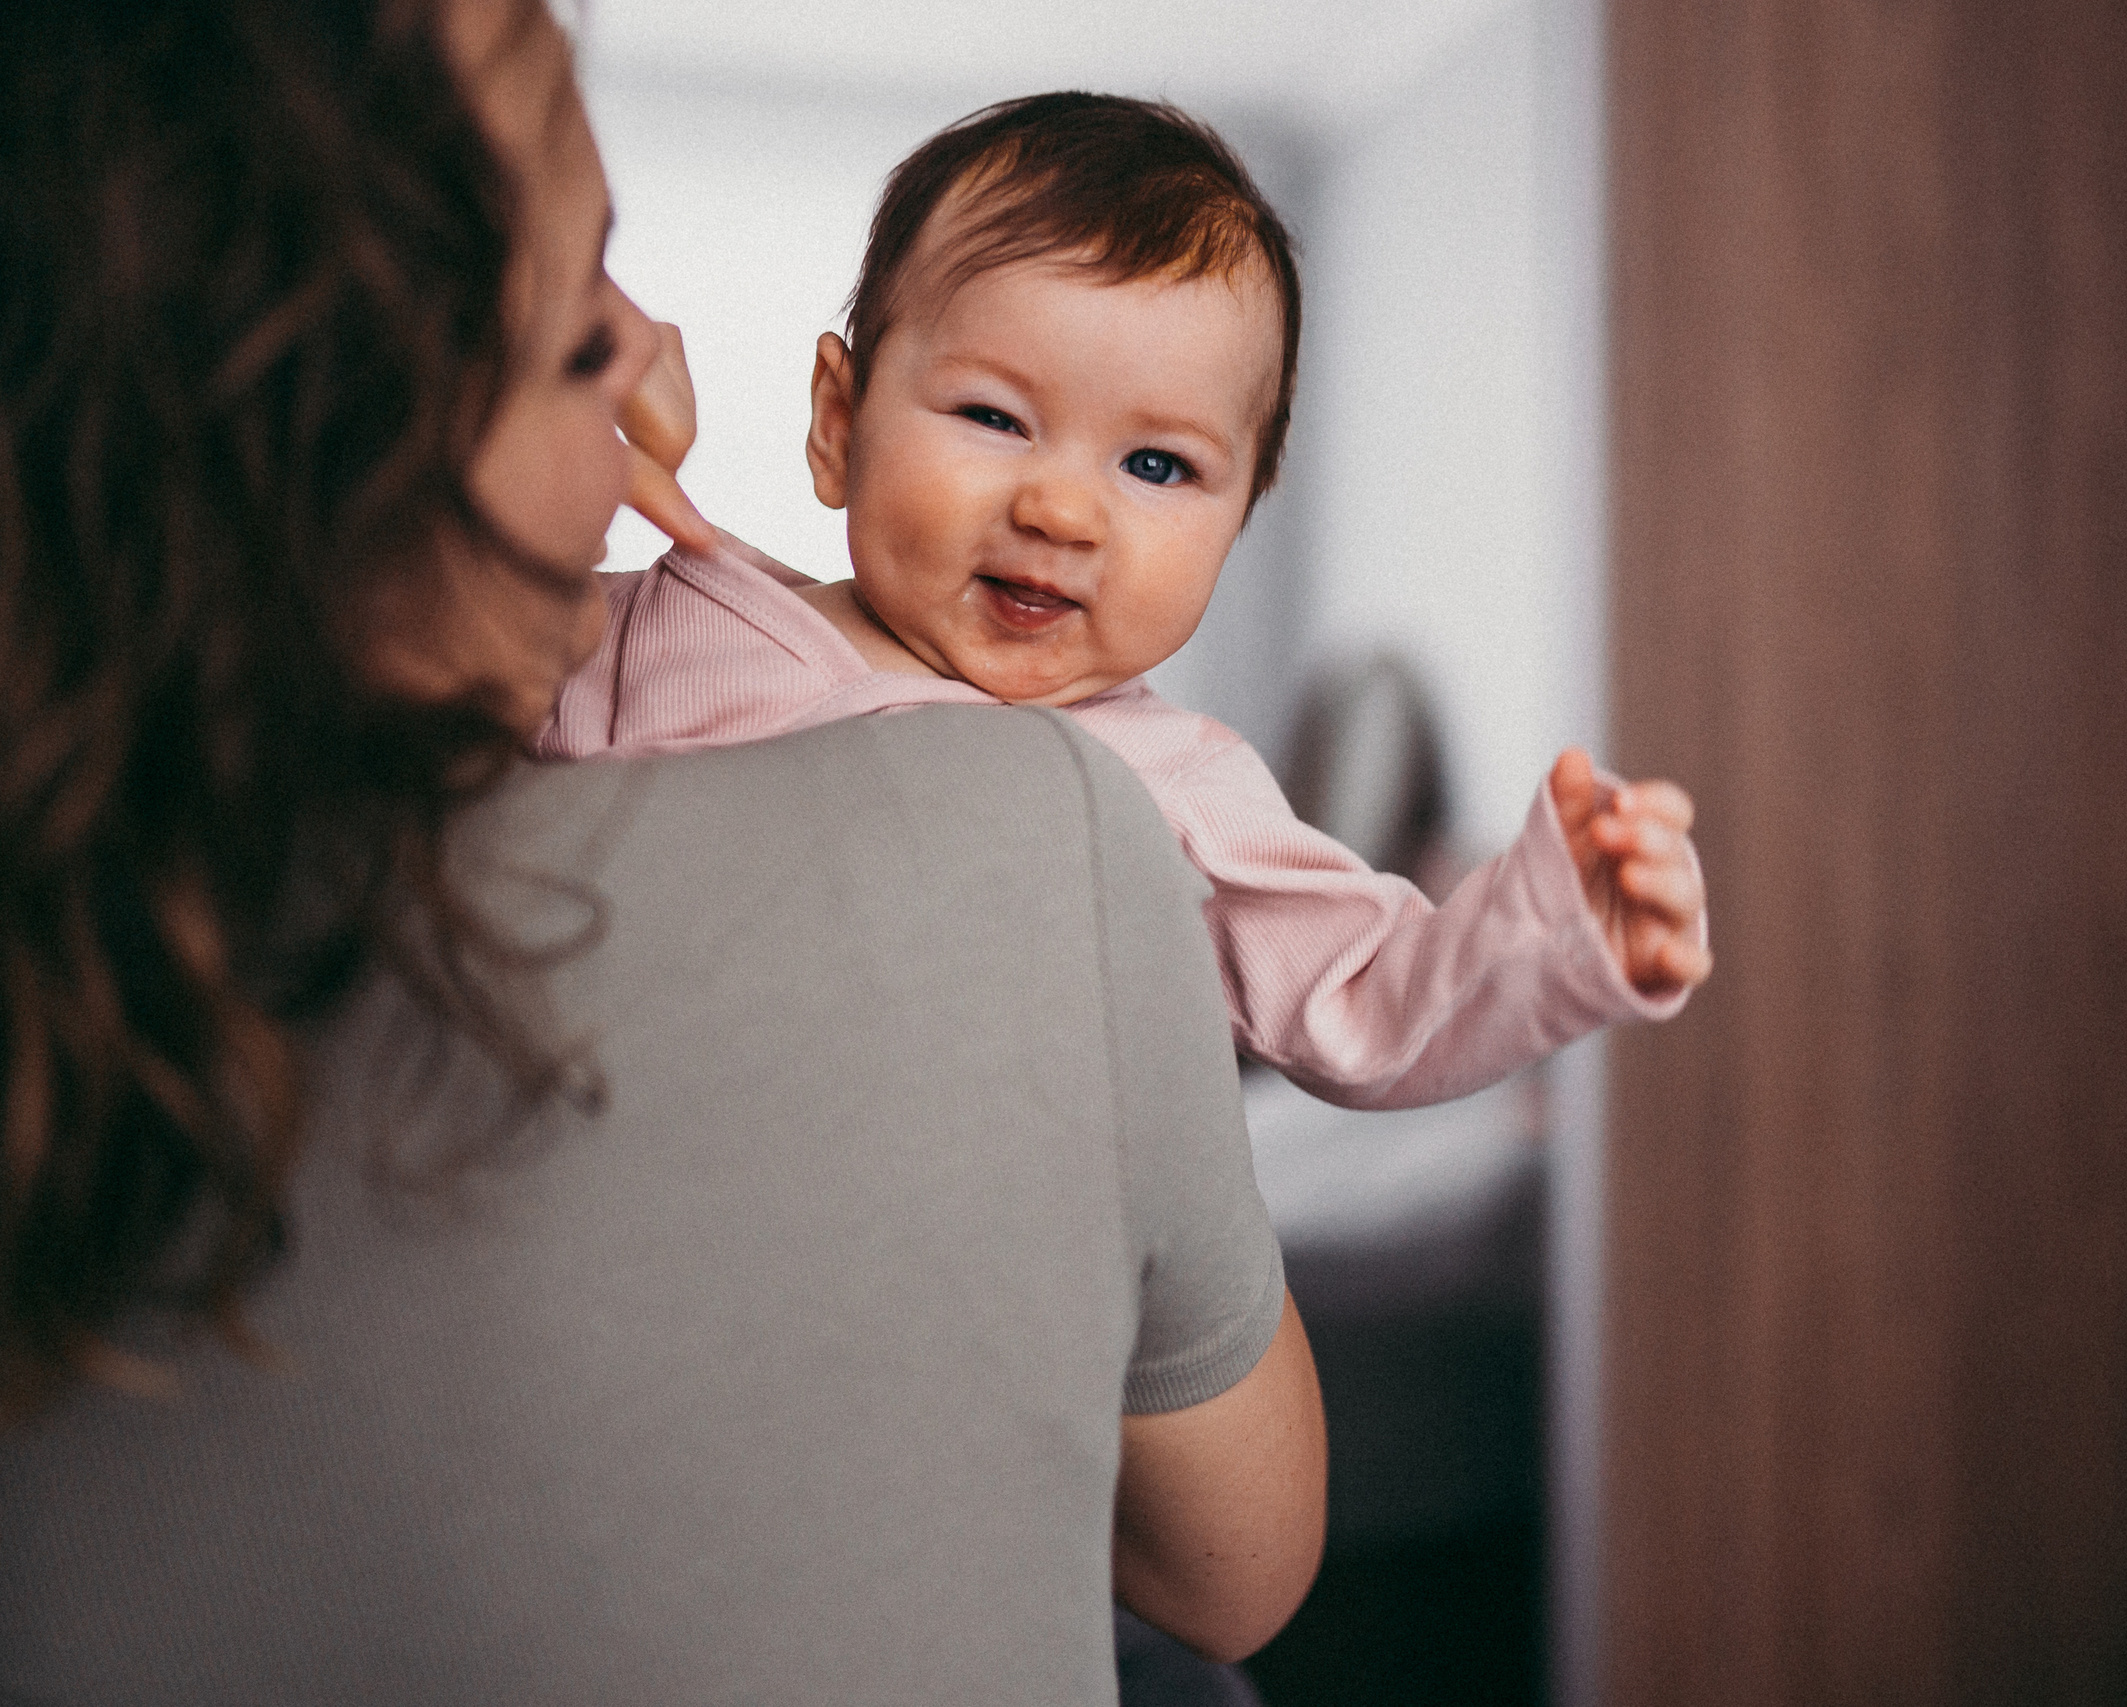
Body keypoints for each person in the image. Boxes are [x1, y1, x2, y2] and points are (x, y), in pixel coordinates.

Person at [0, 2, 1321, 1700]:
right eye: (579, 337)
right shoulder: (1042, 822)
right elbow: (1239, 1566)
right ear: (353, 462)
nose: (658, 359)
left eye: (1156, 463)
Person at [535, 93, 1714, 1113]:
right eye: (994, 417)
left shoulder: (1170, 786)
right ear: (838, 425)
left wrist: (1550, 929)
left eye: (1156, 466)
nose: (1062, 511)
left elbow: (1363, 995)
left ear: (1239, 517)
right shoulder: (653, 627)